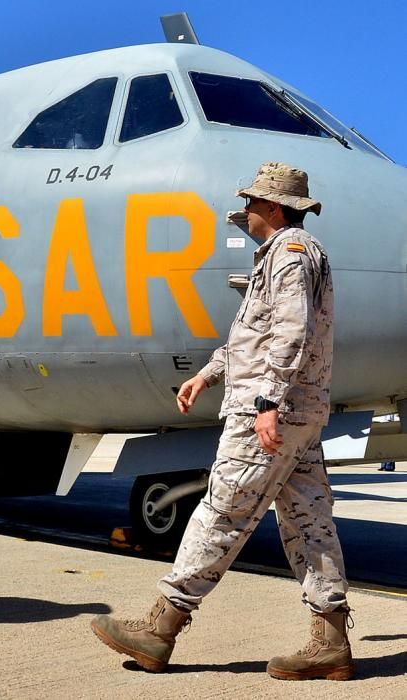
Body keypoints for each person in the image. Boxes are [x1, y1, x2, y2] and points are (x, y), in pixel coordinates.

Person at [91, 161, 353, 681]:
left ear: (274, 207)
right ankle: (331, 643)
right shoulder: (288, 254)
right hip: (297, 414)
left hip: (272, 415)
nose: (247, 210)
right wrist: (209, 375)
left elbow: (291, 331)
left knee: (222, 513)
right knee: (309, 522)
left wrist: (267, 403)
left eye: (254, 202)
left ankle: (160, 627)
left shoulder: (289, 255)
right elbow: (252, 335)